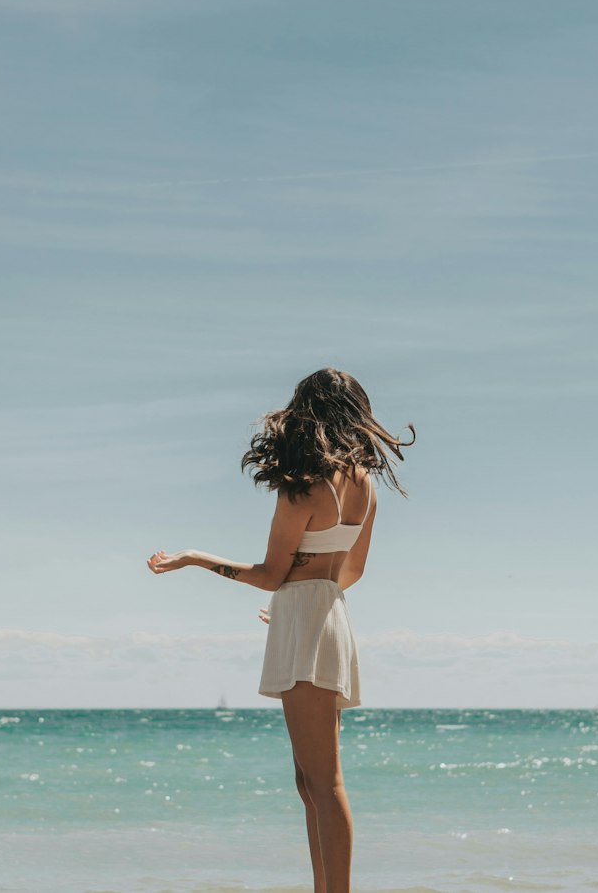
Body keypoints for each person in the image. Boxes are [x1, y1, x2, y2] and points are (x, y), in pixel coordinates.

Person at [147, 367, 413, 893]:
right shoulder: (365, 486)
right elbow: (351, 571)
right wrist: (302, 601)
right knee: (309, 781)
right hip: (328, 615)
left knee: (325, 781)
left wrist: (197, 559)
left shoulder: (303, 488)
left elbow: (269, 574)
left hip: (309, 618)